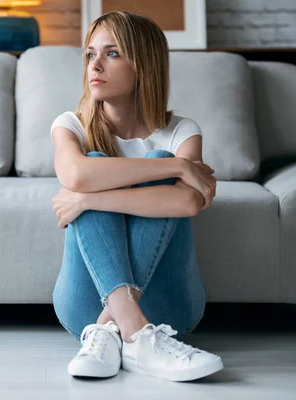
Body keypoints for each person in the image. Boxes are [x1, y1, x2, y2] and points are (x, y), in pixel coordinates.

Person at [50, 11, 223, 382]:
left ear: (143, 64)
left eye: (112, 54)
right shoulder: (71, 126)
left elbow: (187, 202)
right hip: (84, 306)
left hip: (169, 306)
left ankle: (118, 330)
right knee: (98, 163)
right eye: (90, 54)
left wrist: (86, 200)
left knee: (154, 157)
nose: (94, 65)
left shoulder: (181, 131)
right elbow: (77, 173)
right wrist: (176, 169)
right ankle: (134, 332)